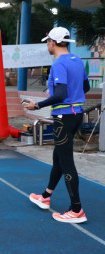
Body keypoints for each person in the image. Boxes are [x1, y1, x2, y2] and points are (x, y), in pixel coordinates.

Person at [24, 26, 90, 223]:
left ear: (52, 43)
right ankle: (46, 196)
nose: (47, 45)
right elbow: (86, 86)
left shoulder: (59, 63)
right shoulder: (77, 60)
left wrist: (37, 105)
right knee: (58, 158)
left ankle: (77, 209)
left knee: (66, 162)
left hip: (63, 117)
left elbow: (60, 94)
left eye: (47, 42)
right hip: (76, 114)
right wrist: (74, 97)